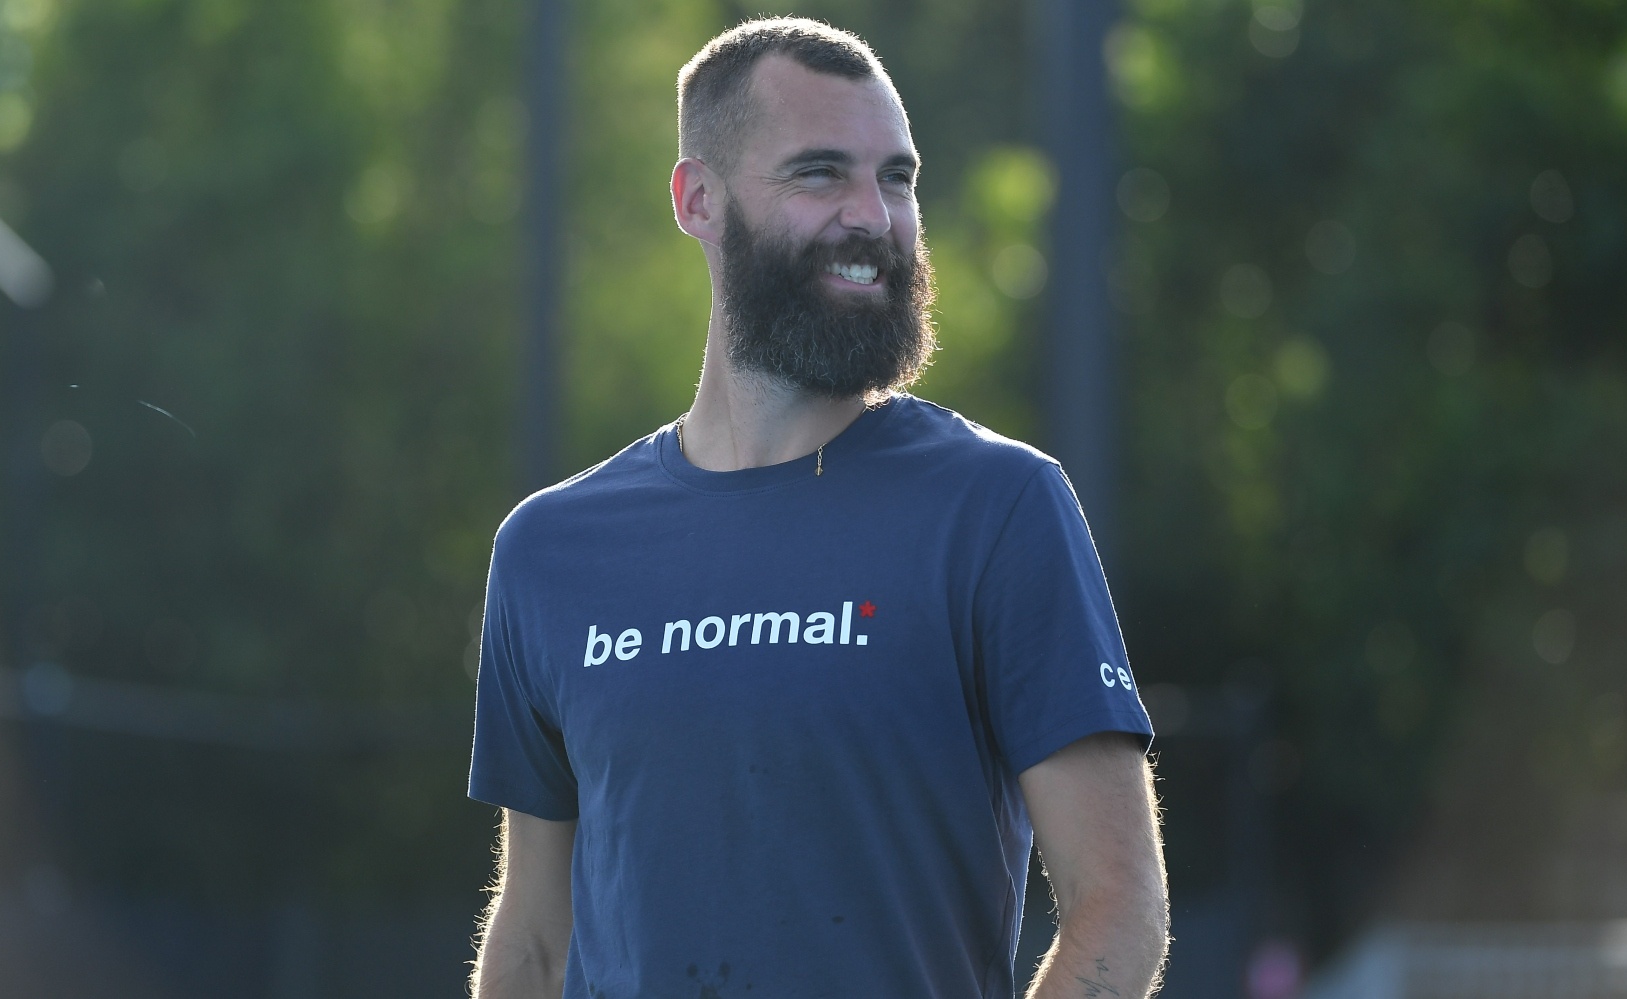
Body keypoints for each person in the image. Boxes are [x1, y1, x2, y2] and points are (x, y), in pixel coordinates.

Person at [468, 17, 1168, 999]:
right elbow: (534, 940)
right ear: (698, 199)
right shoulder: (547, 551)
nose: (874, 218)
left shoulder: (999, 506)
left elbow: (1118, 907)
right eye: (820, 174)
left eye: (897, 178)